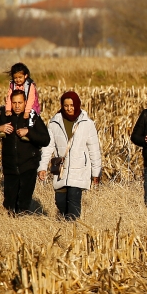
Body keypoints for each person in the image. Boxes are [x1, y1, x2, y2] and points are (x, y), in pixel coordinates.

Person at [0, 90, 50, 215]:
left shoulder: (32, 118)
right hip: (10, 167)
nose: (17, 105)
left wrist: (29, 132)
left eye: (20, 102)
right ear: (10, 103)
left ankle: (22, 225)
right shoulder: (5, 117)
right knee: (9, 203)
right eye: (14, 103)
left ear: (25, 102)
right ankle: (12, 226)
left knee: (23, 203)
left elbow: (45, 139)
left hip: (28, 166)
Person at [39, 91, 102, 221]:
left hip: (79, 169)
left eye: (72, 105)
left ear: (77, 104)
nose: (69, 108)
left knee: (73, 200)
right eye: (66, 105)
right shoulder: (54, 123)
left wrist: (96, 173)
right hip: (61, 170)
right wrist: (42, 167)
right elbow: (47, 147)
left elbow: (94, 149)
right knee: (60, 202)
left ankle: (72, 230)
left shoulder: (87, 123)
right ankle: (65, 224)